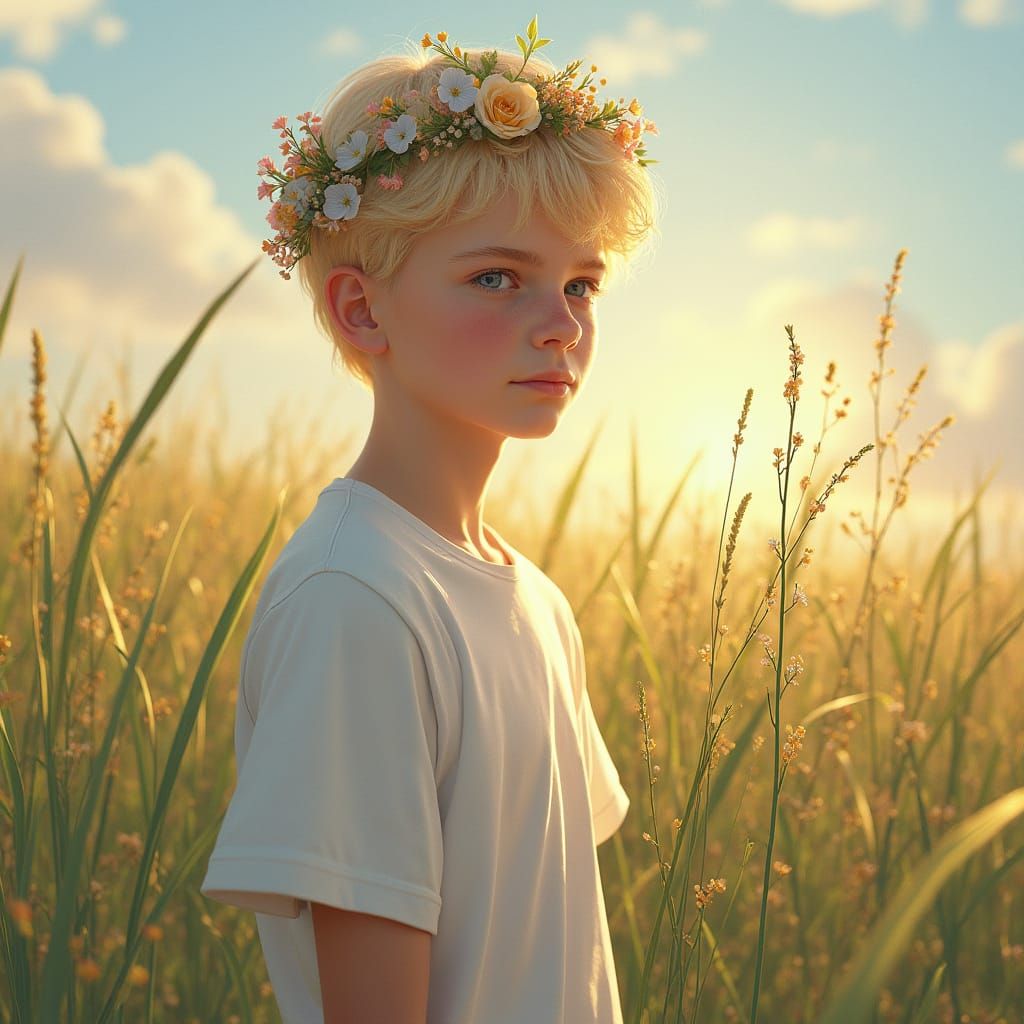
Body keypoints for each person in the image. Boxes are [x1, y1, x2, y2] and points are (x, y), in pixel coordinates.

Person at [200, 19, 661, 1023]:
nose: (560, 322)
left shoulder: (531, 596)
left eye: (581, 283)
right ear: (363, 312)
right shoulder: (355, 598)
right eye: (496, 277)